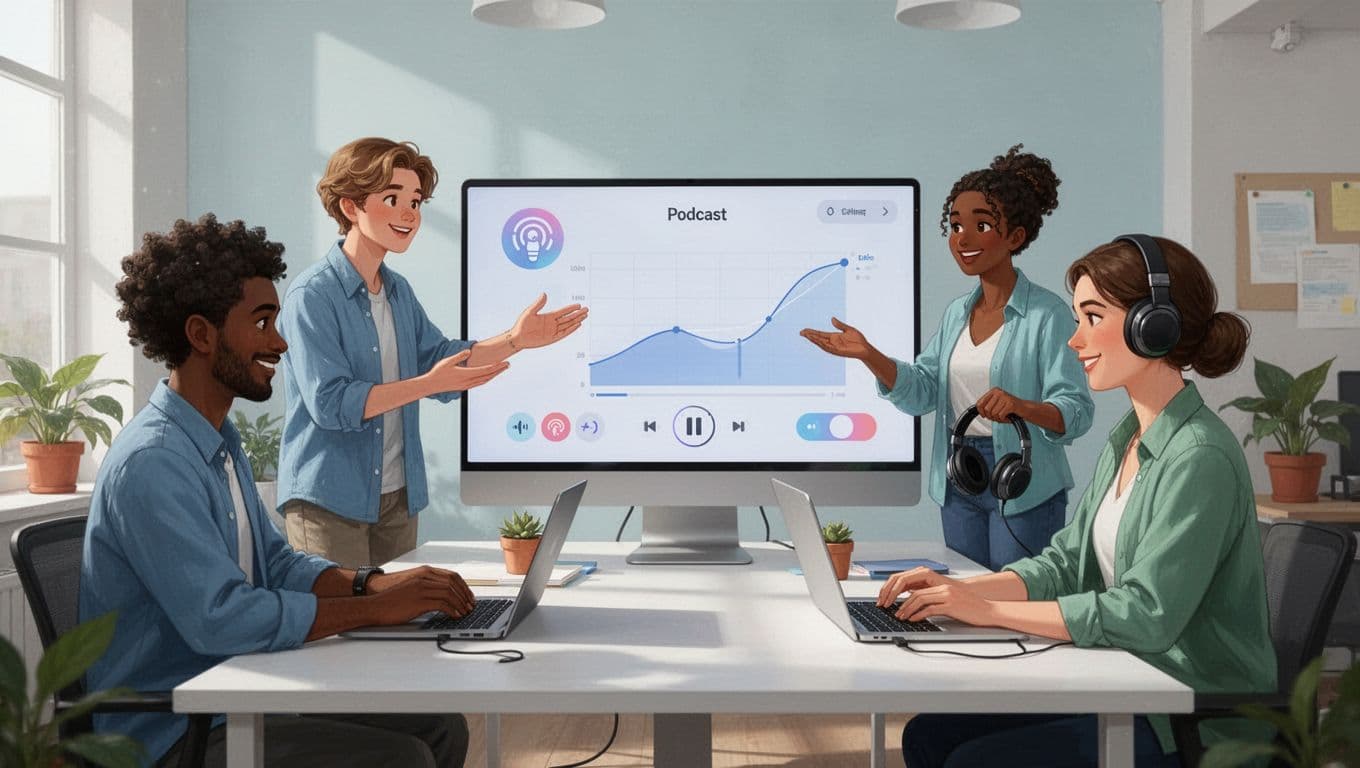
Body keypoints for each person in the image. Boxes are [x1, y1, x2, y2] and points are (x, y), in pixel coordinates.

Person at [82, 214, 475, 767]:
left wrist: (375, 584)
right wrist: (373, 611)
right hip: (177, 730)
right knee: (401, 757)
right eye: (263, 323)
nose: (282, 341)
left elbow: (274, 564)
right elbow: (223, 617)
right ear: (201, 334)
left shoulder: (216, 438)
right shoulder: (155, 463)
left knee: (438, 728)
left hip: (241, 690)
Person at [886, 236, 1277, 767]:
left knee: (971, 759)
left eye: (1093, 317)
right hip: (1126, 680)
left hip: (1182, 712)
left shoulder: (1199, 457)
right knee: (928, 736)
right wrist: (960, 591)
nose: (1075, 340)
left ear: (1154, 325)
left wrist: (989, 610)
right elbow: (1066, 564)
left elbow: (1145, 615)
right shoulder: (1129, 438)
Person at [278, 137, 586, 568]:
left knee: (398, 627)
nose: (410, 214)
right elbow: (332, 403)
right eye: (393, 198)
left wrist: (515, 340)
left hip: (398, 498)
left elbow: (438, 358)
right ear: (350, 207)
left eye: (417, 202)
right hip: (329, 500)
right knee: (341, 627)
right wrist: (428, 384)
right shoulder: (311, 297)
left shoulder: (398, 291)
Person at [802, 145, 1093, 569]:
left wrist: (1019, 407)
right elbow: (922, 391)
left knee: (1011, 606)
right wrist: (868, 355)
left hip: (1020, 478)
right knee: (964, 600)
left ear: (1015, 237)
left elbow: (1077, 411)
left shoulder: (1047, 315)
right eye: (956, 226)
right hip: (961, 472)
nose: (963, 239)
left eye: (981, 225)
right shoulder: (958, 312)